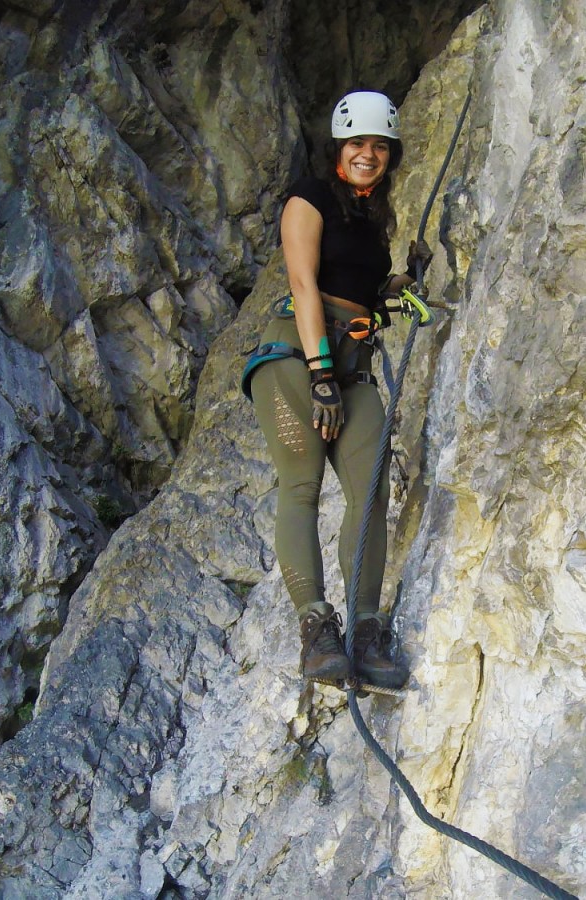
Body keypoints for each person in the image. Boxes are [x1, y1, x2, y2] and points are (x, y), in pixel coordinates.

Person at [247, 90, 423, 690]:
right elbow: (303, 281)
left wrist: (400, 280)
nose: (369, 155)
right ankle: (317, 630)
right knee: (301, 486)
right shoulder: (310, 196)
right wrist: (321, 373)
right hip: (299, 358)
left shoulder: (373, 216)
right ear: (338, 149)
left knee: (370, 491)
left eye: (379, 146)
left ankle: (366, 632)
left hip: (353, 366)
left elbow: (361, 290)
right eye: (357, 145)